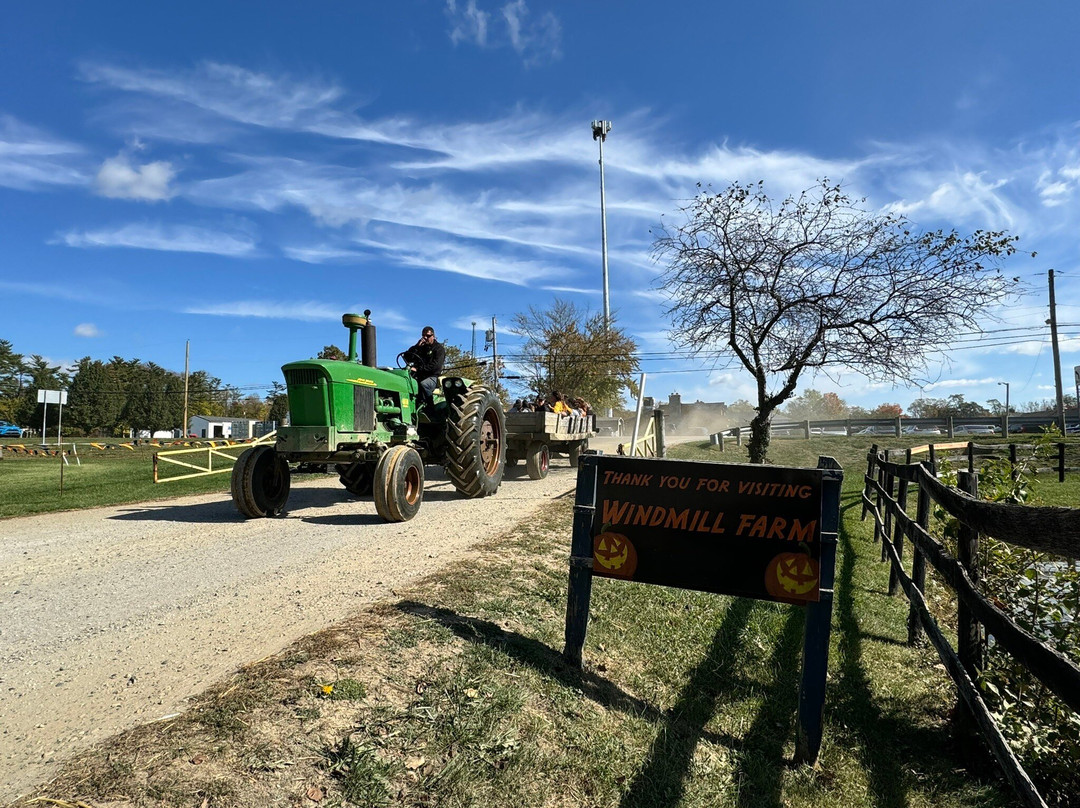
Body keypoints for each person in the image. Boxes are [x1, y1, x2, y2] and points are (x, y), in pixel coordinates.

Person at [403, 326, 445, 410]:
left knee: (424, 384)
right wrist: (416, 346)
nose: (425, 338)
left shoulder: (439, 349)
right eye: (423, 336)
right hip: (417, 375)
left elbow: (436, 366)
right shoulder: (420, 348)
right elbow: (407, 357)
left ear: (433, 336)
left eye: (428, 336)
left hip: (432, 376)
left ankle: (430, 408)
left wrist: (419, 369)